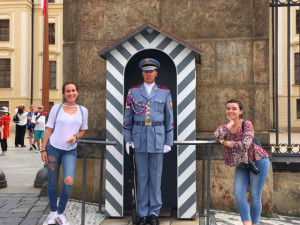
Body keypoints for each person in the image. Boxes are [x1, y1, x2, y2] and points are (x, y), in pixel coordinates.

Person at [123, 58, 174, 225]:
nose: (148, 74)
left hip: (158, 138)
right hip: (139, 138)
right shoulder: (133, 92)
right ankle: (143, 213)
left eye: (151, 71)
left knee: (156, 177)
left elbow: (169, 119)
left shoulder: (164, 92)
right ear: (142, 73)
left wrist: (168, 140)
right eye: (146, 71)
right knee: (142, 178)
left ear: (156, 73)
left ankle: (154, 213)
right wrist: (128, 139)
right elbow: (127, 119)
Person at [214, 99, 270, 225]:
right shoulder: (225, 127)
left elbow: (245, 144)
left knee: (255, 196)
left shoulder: (247, 124)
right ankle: (247, 223)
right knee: (238, 193)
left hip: (258, 162)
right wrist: (229, 124)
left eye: (234, 108)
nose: (230, 111)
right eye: (228, 108)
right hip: (242, 165)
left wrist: (226, 142)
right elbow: (217, 135)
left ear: (240, 111)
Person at [41, 82, 88, 225]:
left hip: (70, 150)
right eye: (68, 91)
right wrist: (43, 149)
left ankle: (60, 213)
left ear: (77, 92)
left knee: (69, 180)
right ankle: (53, 212)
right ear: (63, 94)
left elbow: (83, 130)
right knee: (53, 181)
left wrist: (75, 136)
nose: (71, 93)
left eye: (73, 90)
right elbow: (48, 129)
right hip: (53, 148)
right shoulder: (57, 108)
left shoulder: (82, 110)